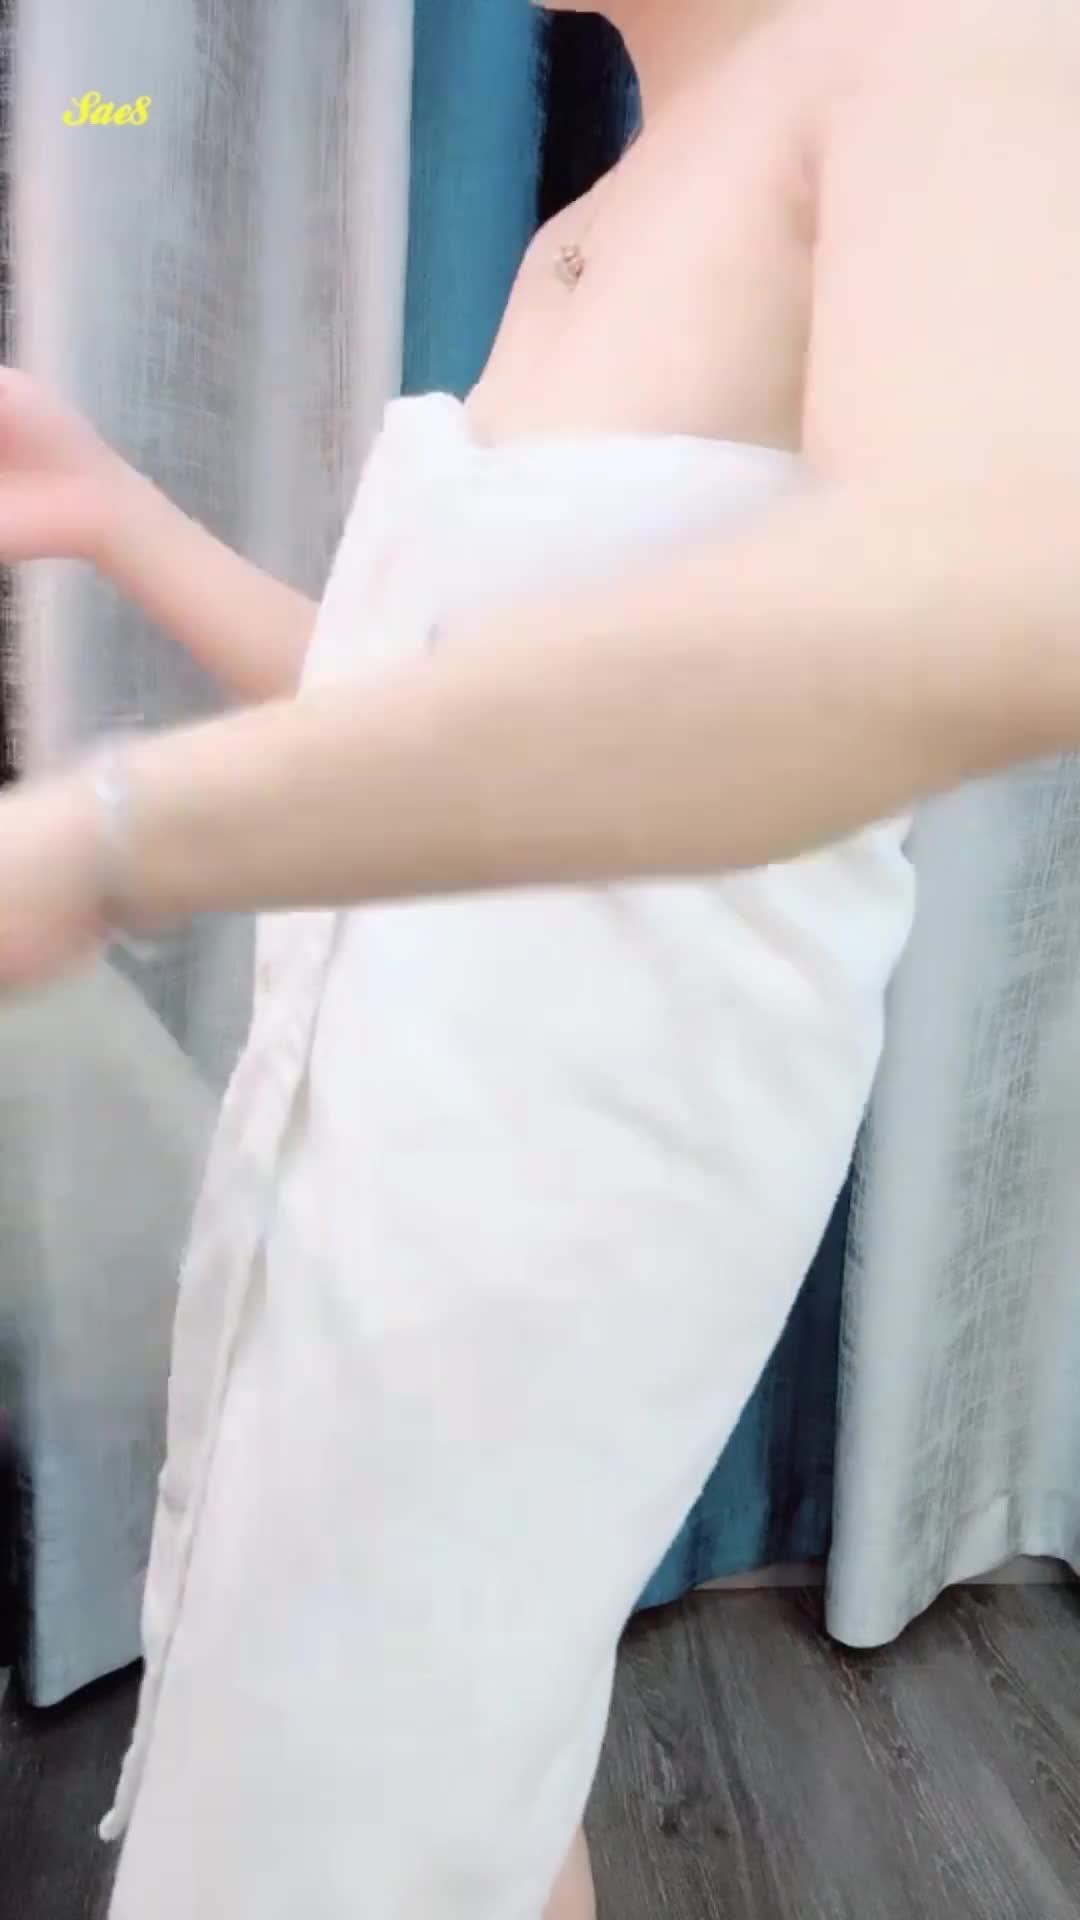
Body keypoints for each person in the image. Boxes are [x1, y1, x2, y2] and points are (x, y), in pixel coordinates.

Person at [1, 0, 1078, 1912]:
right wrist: (111, 512)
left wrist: (112, 841)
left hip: (570, 1192)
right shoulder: (596, 216)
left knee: (371, 1779)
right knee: (444, 1764)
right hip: (366, 1140)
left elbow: (979, 600)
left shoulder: (947, 48)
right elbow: (424, 702)